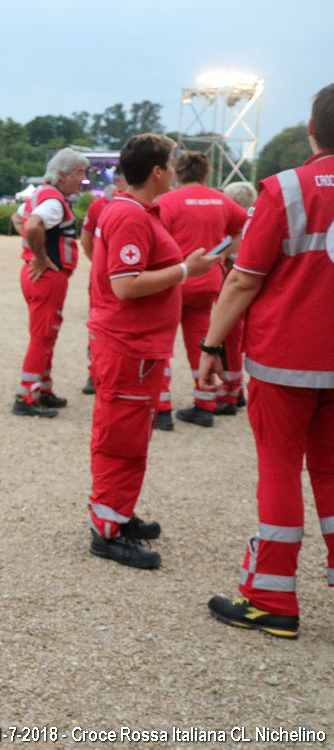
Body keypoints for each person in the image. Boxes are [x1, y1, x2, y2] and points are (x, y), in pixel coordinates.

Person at [203, 84, 334, 639]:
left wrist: (212, 345)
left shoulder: (286, 189)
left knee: (280, 467)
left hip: (287, 360)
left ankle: (270, 598)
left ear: (311, 129)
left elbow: (242, 279)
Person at [85, 133, 220, 569]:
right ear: (158, 172)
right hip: (129, 345)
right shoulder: (130, 215)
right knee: (120, 438)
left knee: (129, 435)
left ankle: (118, 514)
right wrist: (186, 270)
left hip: (136, 346)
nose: (177, 170)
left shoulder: (135, 210)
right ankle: (107, 530)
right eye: (172, 162)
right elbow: (125, 285)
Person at [152, 151, 247, 430]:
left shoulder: (167, 201)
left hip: (175, 281)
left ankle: (162, 408)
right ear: (206, 173)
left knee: (162, 346)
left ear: (176, 173)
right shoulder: (221, 199)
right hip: (208, 283)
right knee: (203, 344)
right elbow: (246, 227)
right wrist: (221, 254)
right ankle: (205, 404)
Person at [10, 148, 88, 418]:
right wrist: (41, 256)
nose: (83, 179)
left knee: (45, 335)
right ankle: (27, 397)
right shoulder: (55, 201)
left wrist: (34, 252)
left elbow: (18, 217)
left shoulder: (41, 193)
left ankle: (42, 388)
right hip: (48, 276)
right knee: (42, 337)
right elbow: (32, 226)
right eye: (80, 173)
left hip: (35, 275)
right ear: (62, 174)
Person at [79, 167, 125, 395]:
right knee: (99, 326)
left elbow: (85, 239)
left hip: (114, 279)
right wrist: (101, 265)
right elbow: (85, 240)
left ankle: (105, 374)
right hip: (108, 279)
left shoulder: (102, 205)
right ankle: (94, 372)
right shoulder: (99, 204)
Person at [215, 180, 258, 413]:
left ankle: (230, 392)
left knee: (230, 336)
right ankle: (237, 389)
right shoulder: (256, 222)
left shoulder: (240, 229)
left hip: (234, 280)